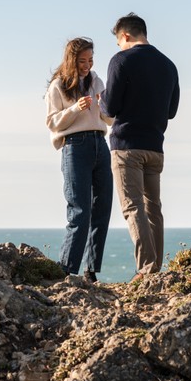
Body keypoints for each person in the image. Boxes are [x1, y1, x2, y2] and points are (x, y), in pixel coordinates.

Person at [100, 13, 180, 283]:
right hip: (155, 147)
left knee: (132, 206)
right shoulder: (169, 65)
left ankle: (146, 270)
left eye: (118, 41)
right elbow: (172, 111)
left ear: (124, 36)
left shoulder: (121, 60)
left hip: (126, 146)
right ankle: (156, 267)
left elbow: (110, 108)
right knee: (153, 207)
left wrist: (100, 101)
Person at [46, 37, 114, 283]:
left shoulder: (97, 81)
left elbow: (109, 120)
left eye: (90, 60)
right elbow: (52, 122)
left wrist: (104, 106)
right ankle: (66, 270)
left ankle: (91, 270)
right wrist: (75, 108)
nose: (87, 65)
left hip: (100, 144)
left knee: (103, 207)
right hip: (75, 146)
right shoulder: (58, 86)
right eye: (82, 61)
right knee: (80, 210)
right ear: (71, 60)